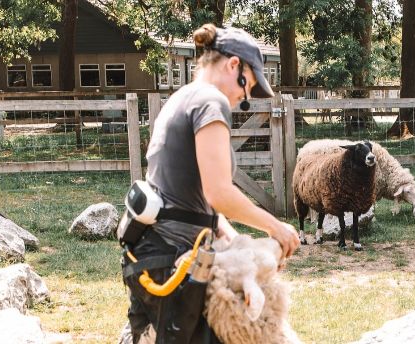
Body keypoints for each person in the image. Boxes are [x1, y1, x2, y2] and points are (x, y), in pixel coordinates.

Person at [122, 24, 300, 343]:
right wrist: (277, 228)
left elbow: (198, 203)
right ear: (234, 65)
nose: (240, 100)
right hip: (174, 259)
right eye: (245, 91)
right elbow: (218, 193)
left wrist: (240, 245)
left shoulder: (182, 99)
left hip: (157, 255)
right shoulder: (210, 101)